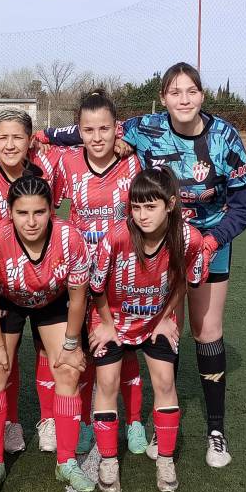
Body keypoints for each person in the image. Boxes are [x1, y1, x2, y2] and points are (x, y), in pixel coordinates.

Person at [40, 62, 246, 468]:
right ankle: (157, 423)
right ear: (163, 98)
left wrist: (211, 243)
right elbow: (92, 128)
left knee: (207, 331)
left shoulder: (225, 137)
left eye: (191, 91)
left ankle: (215, 431)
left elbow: (243, 208)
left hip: (208, 241)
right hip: (156, 243)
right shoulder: (145, 127)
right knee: (163, 329)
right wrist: (45, 134)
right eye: (175, 92)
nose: (184, 99)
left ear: (202, 94)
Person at [0, 171, 94, 492]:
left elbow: (78, 297)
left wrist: (71, 344)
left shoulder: (70, 238)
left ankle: (66, 462)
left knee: (68, 369)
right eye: (22, 212)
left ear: (52, 209)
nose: (31, 221)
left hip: (52, 302)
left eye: (39, 212)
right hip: (6, 302)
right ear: (9, 211)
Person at [89, 167, 205, 492]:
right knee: (107, 382)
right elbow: (96, 287)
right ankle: (109, 461)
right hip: (112, 319)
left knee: (165, 380)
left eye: (151, 207)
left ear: (170, 204)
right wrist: (107, 325)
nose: (142, 215)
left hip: (155, 320)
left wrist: (167, 316)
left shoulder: (189, 239)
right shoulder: (117, 237)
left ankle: (165, 460)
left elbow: (184, 281)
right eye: (136, 207)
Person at [0, 109, 65, 456]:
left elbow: (88, 142)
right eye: (3, 137)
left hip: (46, 276)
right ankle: (9, 422)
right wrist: (17, 255)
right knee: (0, 358)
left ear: (30, 139)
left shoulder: (47, 165)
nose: (10, 145)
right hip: (2, 282)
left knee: (49, 350)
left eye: (18, 137)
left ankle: (49, 419)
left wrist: (124, 142)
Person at [55, 89, 147, 454]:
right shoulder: (67, 162)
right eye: (89, 130)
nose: (97, 137)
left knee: (125, 349)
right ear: (78, 130)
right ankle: (85, 422)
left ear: (116, 129)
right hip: (80, 275)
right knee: (88, 348)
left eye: (104, 129)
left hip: (123, 273)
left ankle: (135, 421)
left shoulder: (133, 163)